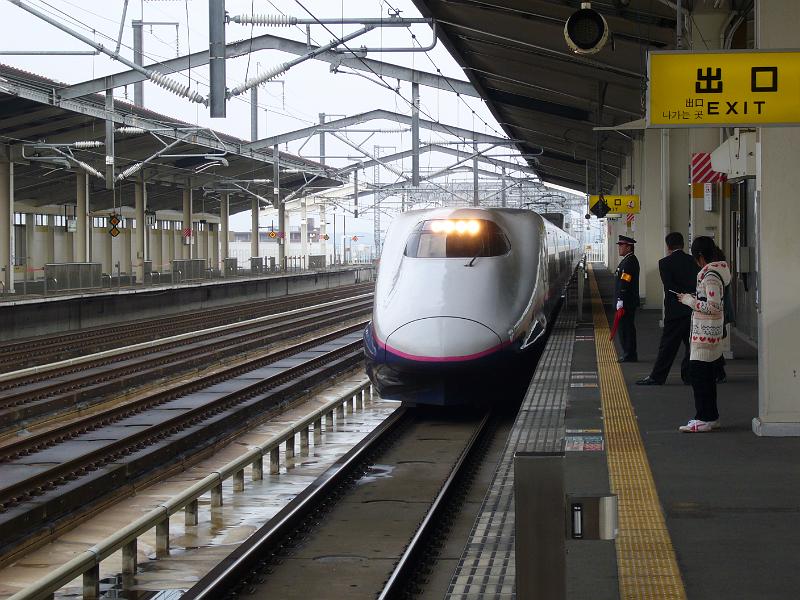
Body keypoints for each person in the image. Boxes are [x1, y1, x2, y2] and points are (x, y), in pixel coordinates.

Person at [676, 236, 731, 433]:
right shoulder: (715, 274)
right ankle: (711, 417)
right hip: (709, 333)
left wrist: (689, 301)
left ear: (700, 256)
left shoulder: (710, 276)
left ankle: (704, 418)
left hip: (705, 335)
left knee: (699, 377)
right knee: (706, 377)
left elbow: (714, 306)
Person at [636, 232, 699, 385]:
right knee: (692, 346)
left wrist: (681, 296)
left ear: (668, 246)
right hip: (692, 309)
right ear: (683, 244)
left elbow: (669, 286)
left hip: (675, 311)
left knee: (668, 347)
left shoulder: (664, 263)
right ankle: (689, 376)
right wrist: (689, 297)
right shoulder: (693, 261)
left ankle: (657, 377)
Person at [614, 234, 640, 362]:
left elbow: (625, 282)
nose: (619, 248)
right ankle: (628, 353)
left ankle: (629, 354)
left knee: (626, 328)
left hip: (627, 301)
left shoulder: (629, 262)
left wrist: (621, 300)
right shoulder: (628, 260)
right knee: (625, 327)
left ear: (629, 247)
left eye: (621, 245)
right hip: (627, 301)